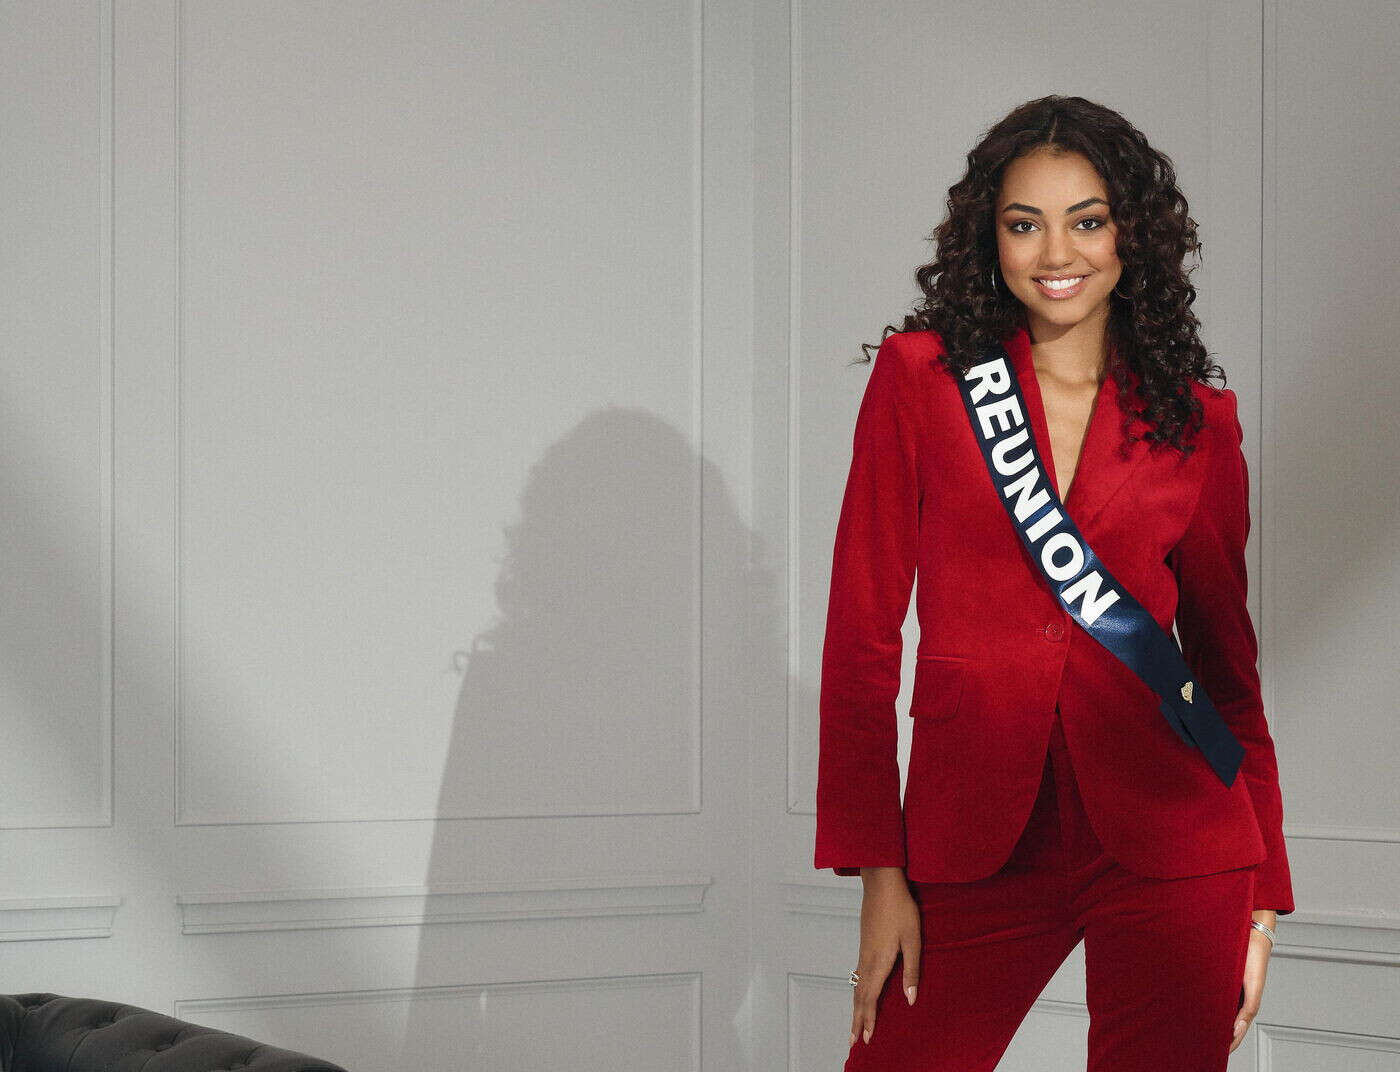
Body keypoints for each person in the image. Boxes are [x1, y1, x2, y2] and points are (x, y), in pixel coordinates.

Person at [814, 95, 1295, 1072]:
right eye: (1022, 223)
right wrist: (877, 870)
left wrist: (1261, 889)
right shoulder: (923, 380)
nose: (1052, 251)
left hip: (1175, 829)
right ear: (986, 237)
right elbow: (859, 638)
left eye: (1084, 220)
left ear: (1130, 235)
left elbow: (1221, 668)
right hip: (972, 826)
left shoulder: (1196, 422)